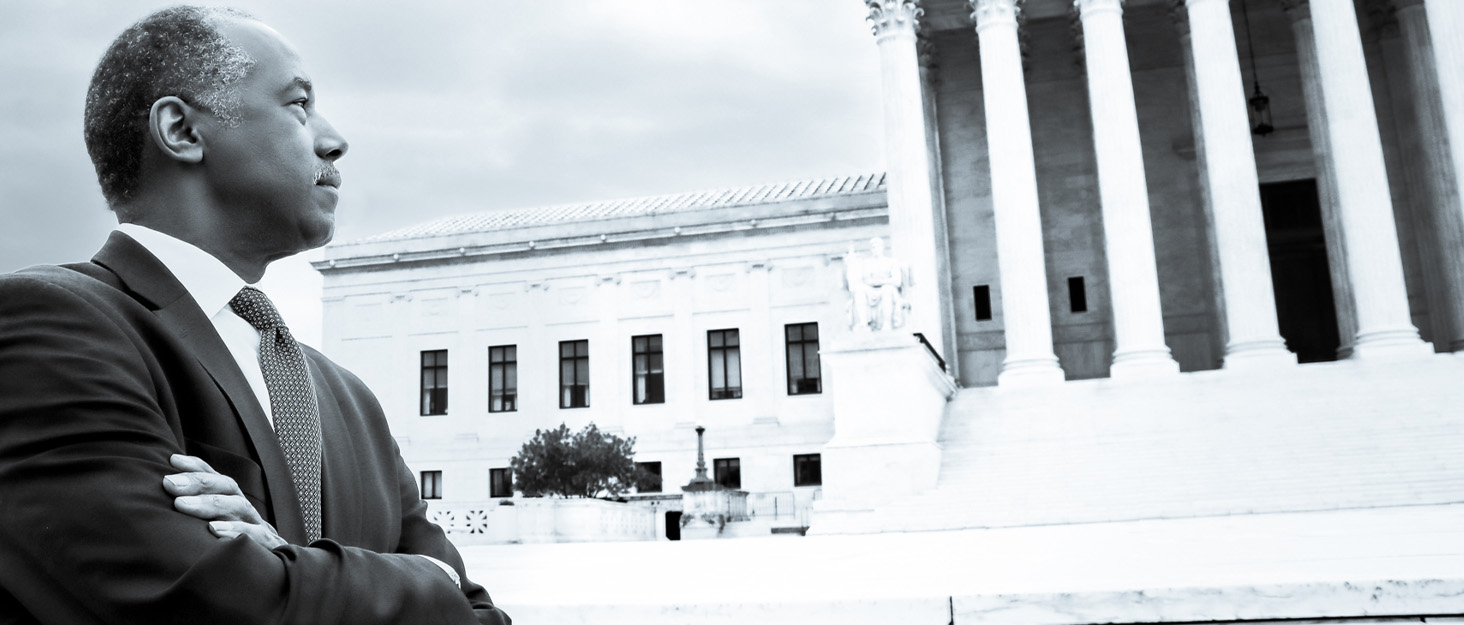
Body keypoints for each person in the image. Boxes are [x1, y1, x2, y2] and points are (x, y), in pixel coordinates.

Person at [0, 7, 510, 624]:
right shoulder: (48, 326)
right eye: (298, 105)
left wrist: (286, 565)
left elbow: (484, 617)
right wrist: (431, 580)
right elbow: (212, 606)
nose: (334, 140)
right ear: (182, 131)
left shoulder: (351, 400)